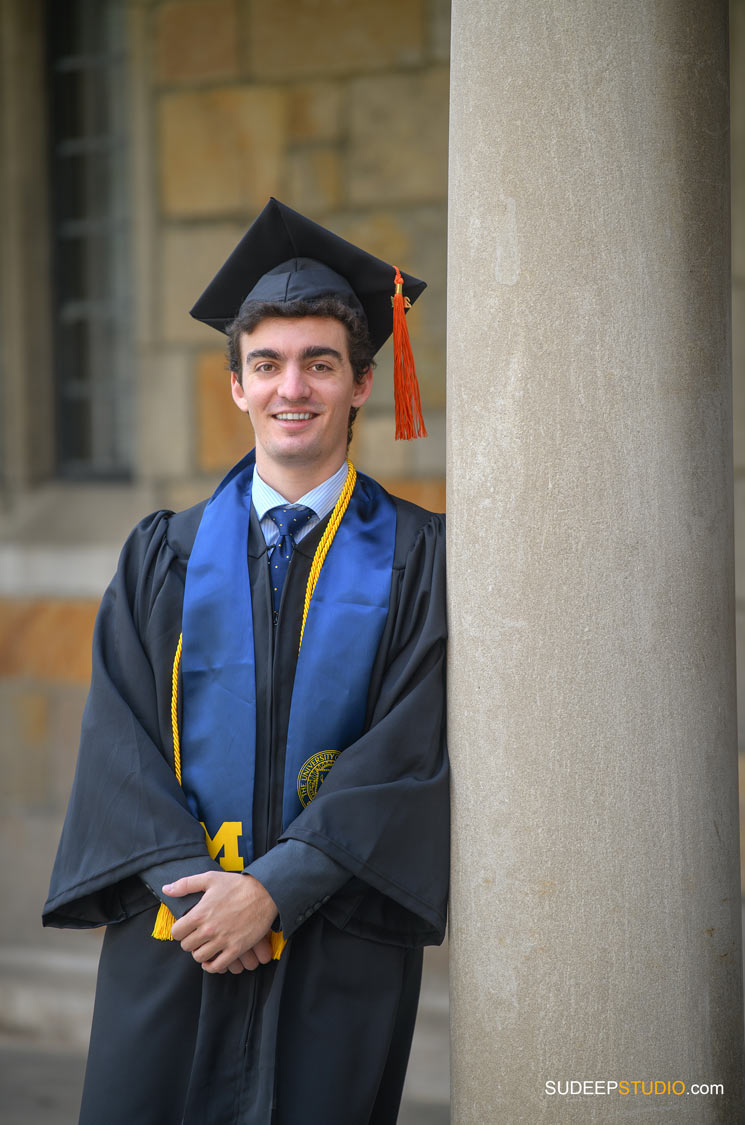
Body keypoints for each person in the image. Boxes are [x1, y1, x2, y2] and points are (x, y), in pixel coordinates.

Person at [43, 198, 449, 1125]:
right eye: (266, 363)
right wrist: (205, 897)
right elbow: (120, 742)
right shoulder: (164, 555)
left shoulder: (421, 560)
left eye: (319, 362)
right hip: (177, 931)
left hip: (331, 934)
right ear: (236, 385)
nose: (291, 386)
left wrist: (276, 888)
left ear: (362, 381)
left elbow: (408, 747)